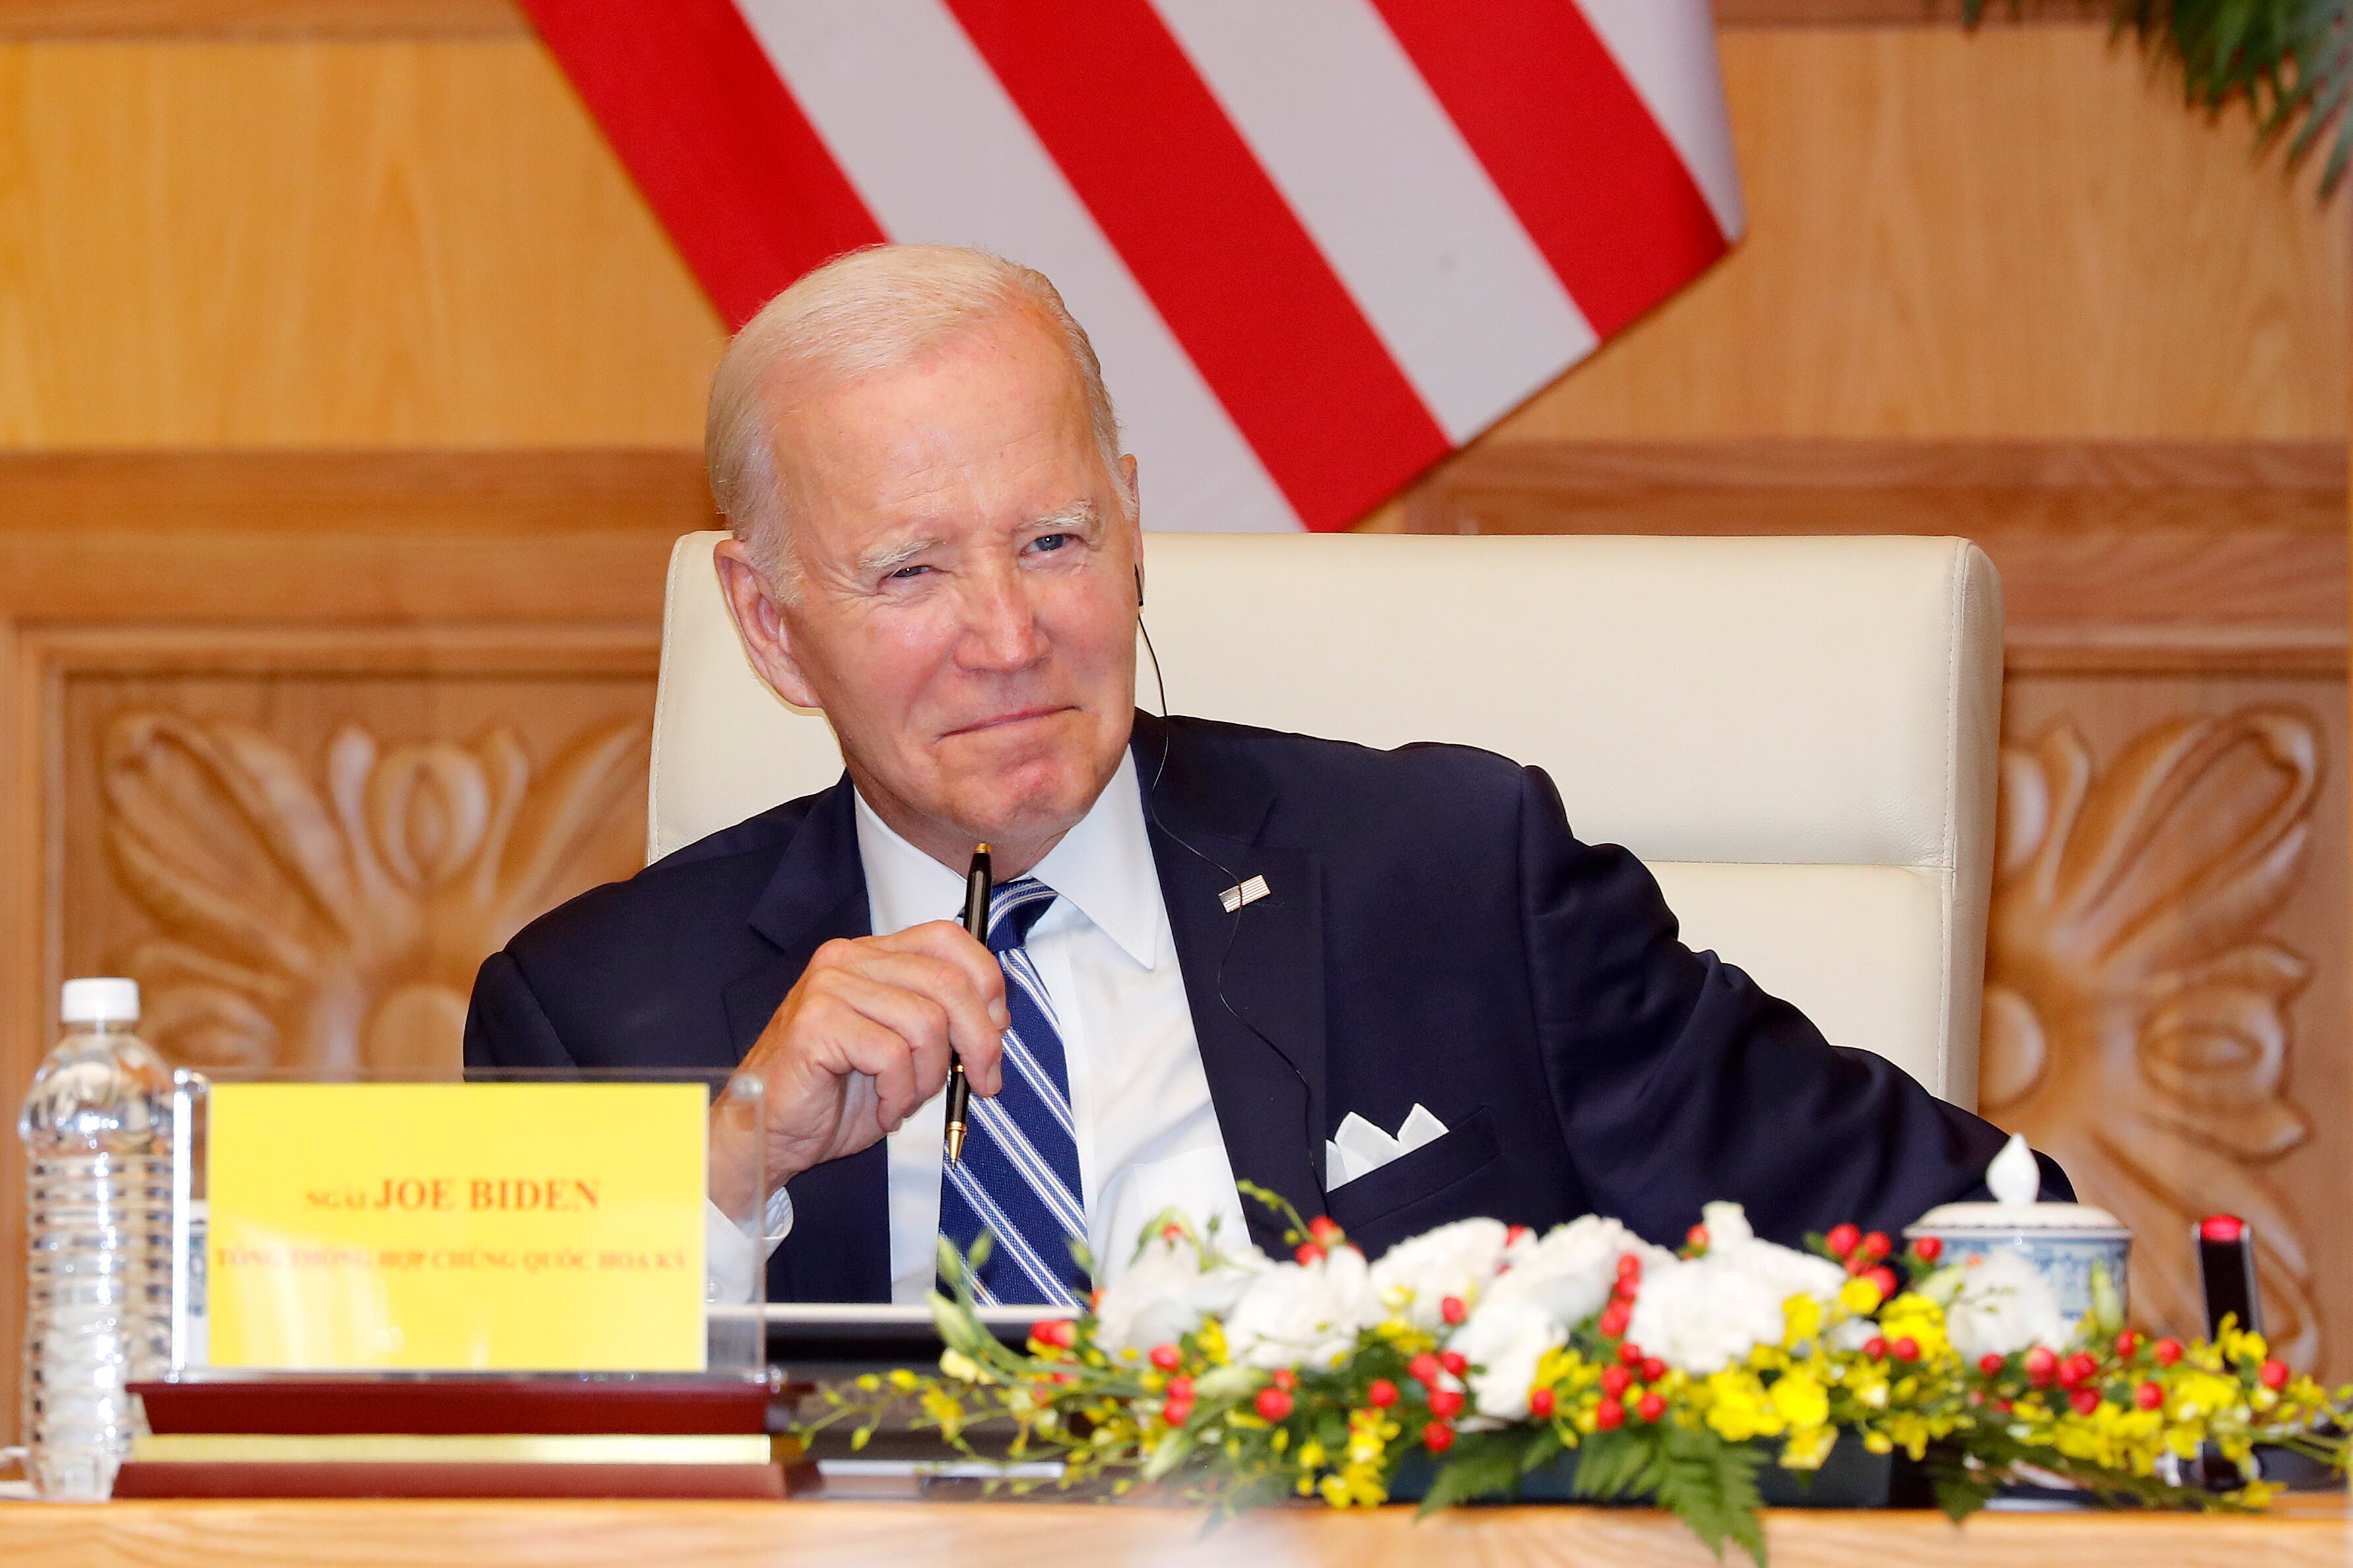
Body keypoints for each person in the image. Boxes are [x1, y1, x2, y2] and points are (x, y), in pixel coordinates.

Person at [464, 245, 2067, 1307]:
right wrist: (725, 1170)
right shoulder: (596, 1018)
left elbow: (1997, 1250)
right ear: (768, 623)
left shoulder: (1451, 880)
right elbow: (476, 1465)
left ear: (1134, 528)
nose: (1009, 638)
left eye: (1053, 541)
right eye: (910, 574)